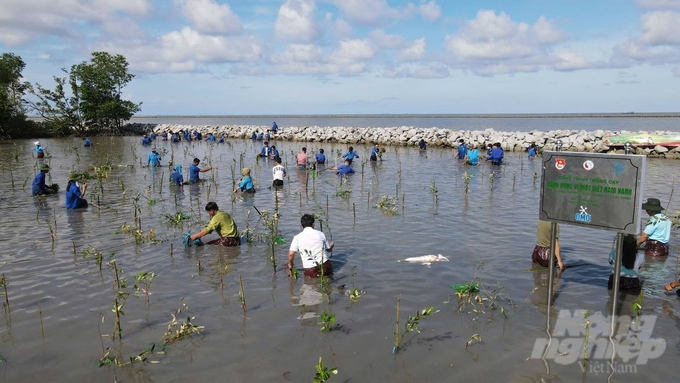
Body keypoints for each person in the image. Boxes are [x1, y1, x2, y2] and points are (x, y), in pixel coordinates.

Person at [287, 214, 334, 278]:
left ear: (301, 226)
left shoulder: (297, 237)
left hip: (311, 269)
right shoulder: (321, 234)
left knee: (311, 285)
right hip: (326, 265)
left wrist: (290, 265)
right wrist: (332, 245)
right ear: (313, 224)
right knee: (328, 283)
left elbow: (291, 254)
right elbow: (328, 249)